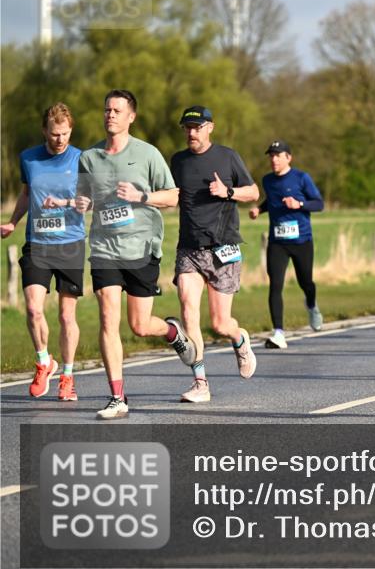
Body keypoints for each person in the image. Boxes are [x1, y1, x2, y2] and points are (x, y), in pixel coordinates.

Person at [75, 89, 193, 419]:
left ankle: (171, 331)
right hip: (104, 249)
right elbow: (84, 197)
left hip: (142, 247)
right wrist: (83, 204)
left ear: (131, 117)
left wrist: (141, 196)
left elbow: (173, 197)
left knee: (139, 325)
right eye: (106, 110)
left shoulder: (148, 154)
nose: (110, 115)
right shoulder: (88, 158)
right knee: (107, 317)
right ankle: (117, 397)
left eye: (116, 110)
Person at [169, 106, 259, 403]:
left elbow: (253, 192)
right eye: (187, 128)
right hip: (189, 249)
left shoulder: (228, 156)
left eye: (196, 127)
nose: (191, 133)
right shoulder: (178, 161)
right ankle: (200, 382)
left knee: (220, 324)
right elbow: (170, 196)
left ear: (210, 127)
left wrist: (228, 193)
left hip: (223, 247)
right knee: (188, 310)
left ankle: (239, 339)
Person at [1, 103, 86, 402]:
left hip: (71, 243)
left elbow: (89, 200)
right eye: (54, 134)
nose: (60, 139)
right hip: (37, 242)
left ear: (70, 131)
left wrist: (63, 204)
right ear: (44, 131)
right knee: (34, 309)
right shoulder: (29, 158)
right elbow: (26, 195)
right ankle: (43, 361)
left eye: (64, 134)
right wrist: (13, 222)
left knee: (66, 316)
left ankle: (68, 376)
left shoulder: (81, 159)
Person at [250, 140, 325, 349]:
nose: (274, 159)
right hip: (277, 242)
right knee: (275, 285)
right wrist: (259, 209)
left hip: (302, 241)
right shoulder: (267, 180)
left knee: (306, 283)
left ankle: (311, 305)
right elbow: (271, 201)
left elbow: (319, 204)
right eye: (271, 155)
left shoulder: (301, 178)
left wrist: (299, 204)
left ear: (288, 158)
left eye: (278, 155)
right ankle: (278, 333)